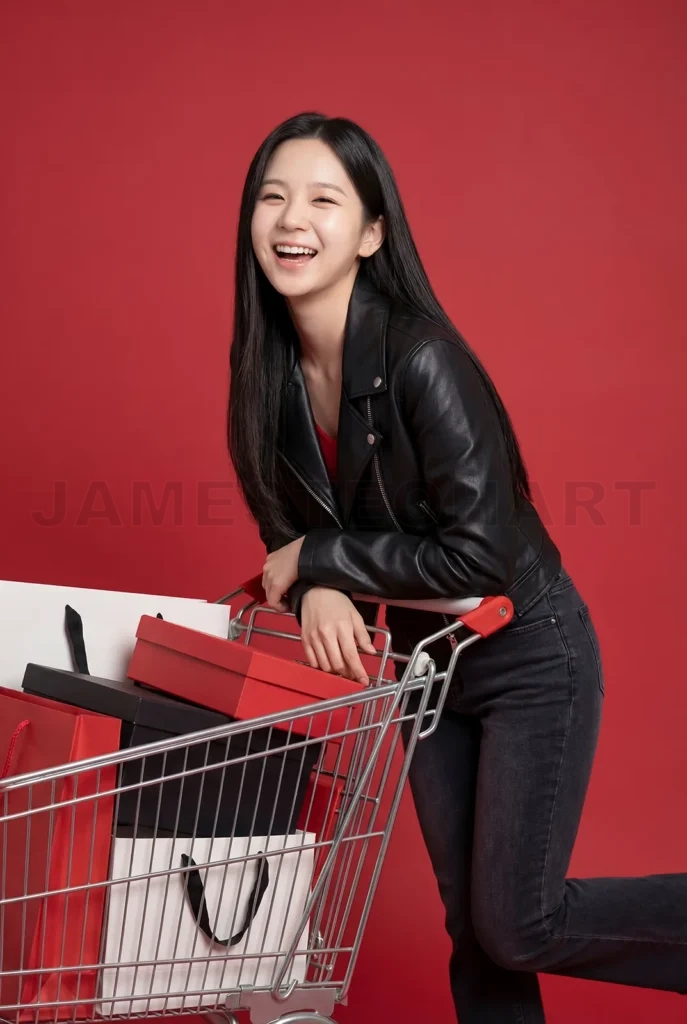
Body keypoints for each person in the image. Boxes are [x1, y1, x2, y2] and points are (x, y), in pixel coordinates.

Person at [227, 111, 687, 1023]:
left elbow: (477, 555)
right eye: (272, 196)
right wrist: (320, 575)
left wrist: (321, 559)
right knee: (474, 933)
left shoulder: (421, 359)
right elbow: (293, 529)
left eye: (324, 199)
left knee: (517, 923)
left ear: (369, 234)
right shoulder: (266, 374)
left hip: (525, 653)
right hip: (428, 666)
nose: (291, 218)